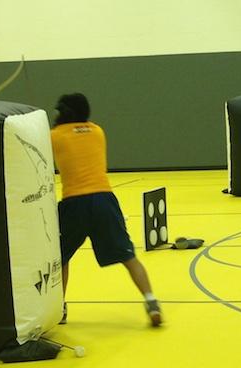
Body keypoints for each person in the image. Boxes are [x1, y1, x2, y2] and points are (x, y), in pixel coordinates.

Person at [50, 93, 162, 326]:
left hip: (74, 203)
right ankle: (151, 301)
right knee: (128, 256)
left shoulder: (55, 137)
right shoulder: (98, 131)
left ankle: (59, 308)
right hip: (104, 199)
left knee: (60, 257)